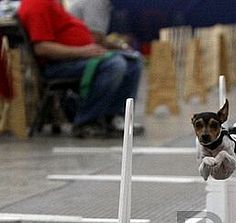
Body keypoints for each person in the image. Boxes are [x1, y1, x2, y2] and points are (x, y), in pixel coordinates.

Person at [18, 0, 143, 137]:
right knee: (114, 65)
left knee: (133, 61)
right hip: (59, 65)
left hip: (76, 58)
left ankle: (114, 118)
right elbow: (42, 48)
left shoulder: (50, 3)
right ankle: (86, 121)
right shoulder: (37, 5)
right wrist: (82, 51)